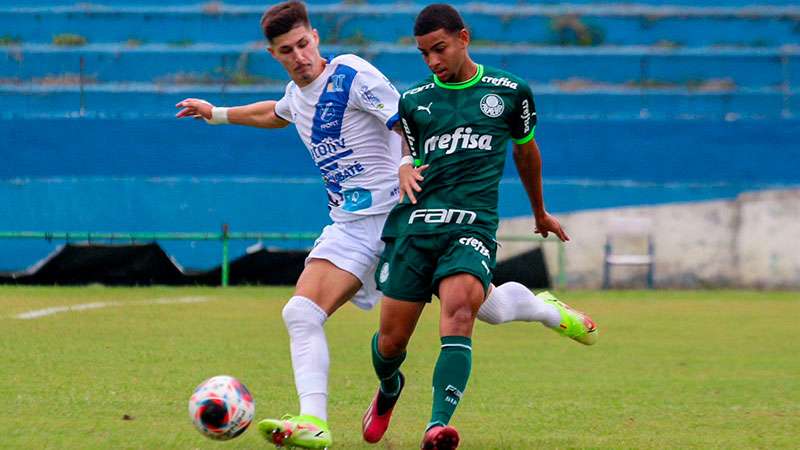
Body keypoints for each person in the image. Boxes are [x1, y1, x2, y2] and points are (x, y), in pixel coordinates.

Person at [176, 2, 596, 449]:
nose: (298, 56)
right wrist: (216, 112)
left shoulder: (350, 74)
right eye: (286, 50)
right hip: (351, 226)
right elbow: (276, 113)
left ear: (315, 37)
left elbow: (405, 118)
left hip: (404, 215)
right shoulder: (298, 96)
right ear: (274, 54)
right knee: (300, 312)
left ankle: (548, 310)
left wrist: (406, 162)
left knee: (487, 309)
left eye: (302, 44)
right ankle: (313, 422)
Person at [359, 4, 597, 450]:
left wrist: (539, 212)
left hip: (472, 225)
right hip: (416, 227)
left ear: (464, 38)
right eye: (424, 53)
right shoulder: (414, 101)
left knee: (461, 309)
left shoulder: (509, 93)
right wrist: (404, 165)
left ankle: (437, 426)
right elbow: (404, 149)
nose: (432, 61)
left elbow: (526, 152)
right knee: (391, 342)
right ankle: (390, 387)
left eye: (440, 49)